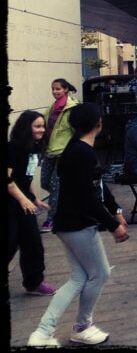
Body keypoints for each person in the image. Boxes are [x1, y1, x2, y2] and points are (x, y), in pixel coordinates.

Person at [27, 103, 129, 347]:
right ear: (99, 124)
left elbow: (97, 186)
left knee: (79, 278)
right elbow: (88, 196)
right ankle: (81, 327)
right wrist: (113, 225)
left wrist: (115, 210)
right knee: (100, 273)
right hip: (77, 224)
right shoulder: (81, 153)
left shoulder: (77, 150)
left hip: (69, 223)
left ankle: (43, 332)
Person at [7, 111, 57, 297]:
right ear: (26, 128)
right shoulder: (13, 148)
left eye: (43, 126)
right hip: (11, 199)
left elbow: (27, 177)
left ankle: (34, 282)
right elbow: (8, 180)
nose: (42, 130)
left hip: (24, 200)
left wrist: (35, 199)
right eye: (37, 126)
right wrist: (23, 199)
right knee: (10, 243)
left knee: (33, 243)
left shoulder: (34, 148)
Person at [39, 78, 79, 233]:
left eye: (58, 89)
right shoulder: (51, 107)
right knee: (45, 183)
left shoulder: (73, 108)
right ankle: (68, 204)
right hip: (49, 151)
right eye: (53, 89)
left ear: (66, 90)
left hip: (64, 153)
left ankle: (52, 219)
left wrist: (73, 150)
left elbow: (77, 131)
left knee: (55, 186)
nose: (55, 92)